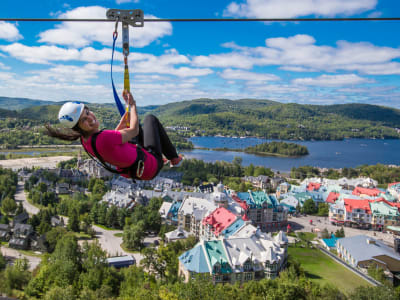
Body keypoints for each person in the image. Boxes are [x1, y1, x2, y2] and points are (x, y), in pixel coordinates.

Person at [46, 90, 182, 180]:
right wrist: (133, 105)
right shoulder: (104, 139)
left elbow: (111, 143)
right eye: (83, 120)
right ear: (78, 128)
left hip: (135, 169)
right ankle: (173, 158)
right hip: (150, 166)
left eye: (87, 112)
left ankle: (163, 156)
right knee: (150, 119)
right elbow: (133, 131)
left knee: (135, 127)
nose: (90, 118)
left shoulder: (85, 140)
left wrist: (123, 119)